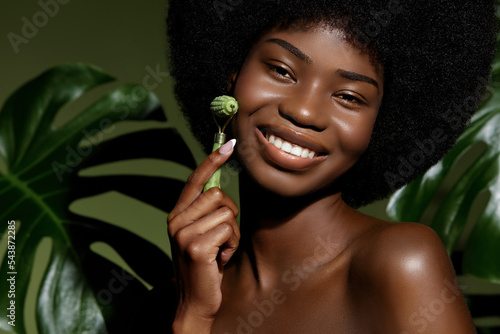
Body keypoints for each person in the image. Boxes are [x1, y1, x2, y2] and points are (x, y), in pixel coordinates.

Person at [164, 0, 497, 332]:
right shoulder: (172, 302)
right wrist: (192, 316)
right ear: (231, 75)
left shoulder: (400, 263)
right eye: (281, 70)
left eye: (349, 97)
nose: (304, 112)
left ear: (381, 125)